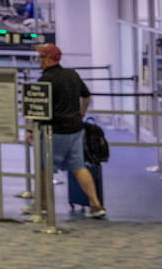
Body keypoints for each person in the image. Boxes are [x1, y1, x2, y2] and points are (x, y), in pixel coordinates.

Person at [34, 43, 105, 218]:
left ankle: (43, 206)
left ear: (50, 58)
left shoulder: (45, 81)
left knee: (45, 168)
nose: (38, 60)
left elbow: (38, 108)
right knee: (79, 167)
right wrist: (80, 114)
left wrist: (30, 130)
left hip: (55, 133)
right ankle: (95, 205)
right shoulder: (72, 75)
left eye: (41, 56)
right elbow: (86, 96)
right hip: (75, 130)